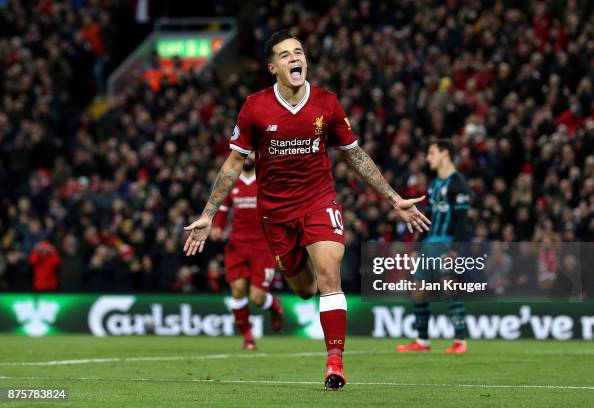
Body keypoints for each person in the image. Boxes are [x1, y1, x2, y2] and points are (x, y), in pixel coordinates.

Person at [184, 30, 430, 390]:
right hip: (276, 213)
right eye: (285, 55)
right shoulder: (255, 107)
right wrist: (208, 213)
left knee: (330, 274)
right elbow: (235, 162)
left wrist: (393, 198)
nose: (294, 58)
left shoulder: (327, 103)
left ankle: (335, 362)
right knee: (303, 288)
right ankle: (301, 294)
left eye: (298, 52)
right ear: (273, 68)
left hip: (319, 201)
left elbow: (355, 155)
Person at [396, 139, 471, 354]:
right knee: (417, 291)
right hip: (429, 243)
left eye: (431, 153)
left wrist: (454, 250)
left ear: (445, 153)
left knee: (448, 289)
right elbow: (427, 218)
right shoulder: (434, 184)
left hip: (446, 243)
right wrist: (418, 248)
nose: (428, 158)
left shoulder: (457, 183)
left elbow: (462, 221)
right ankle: (422, 341)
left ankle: (460, 341)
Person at [210, 152, 284, 350]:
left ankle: (275, 305)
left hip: (263, 247)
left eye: (253, 152)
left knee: (257, 298)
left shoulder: (266, 179)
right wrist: (217, 227)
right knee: (237, 291)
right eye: (247, 153)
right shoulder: (232, 181)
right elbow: (223, 209)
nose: (249, 156)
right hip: (237, 246)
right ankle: (248, 338)